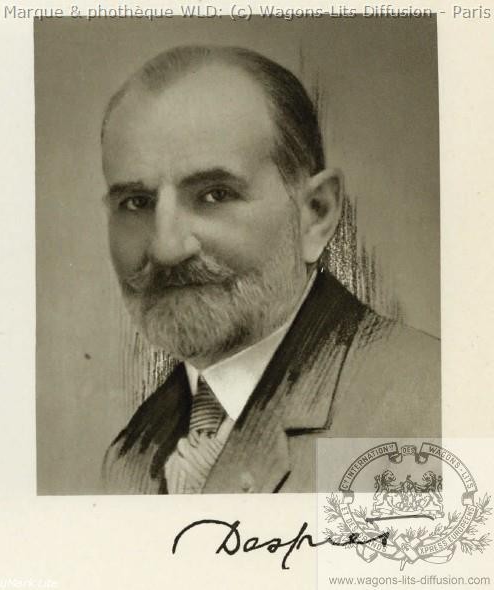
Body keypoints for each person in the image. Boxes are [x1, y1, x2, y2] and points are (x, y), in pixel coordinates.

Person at [100, 45, 440, 494]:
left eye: (215, 195)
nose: (165, 248)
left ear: (315, 213)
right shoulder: (129, 457)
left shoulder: (427, 410)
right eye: (136, 203)